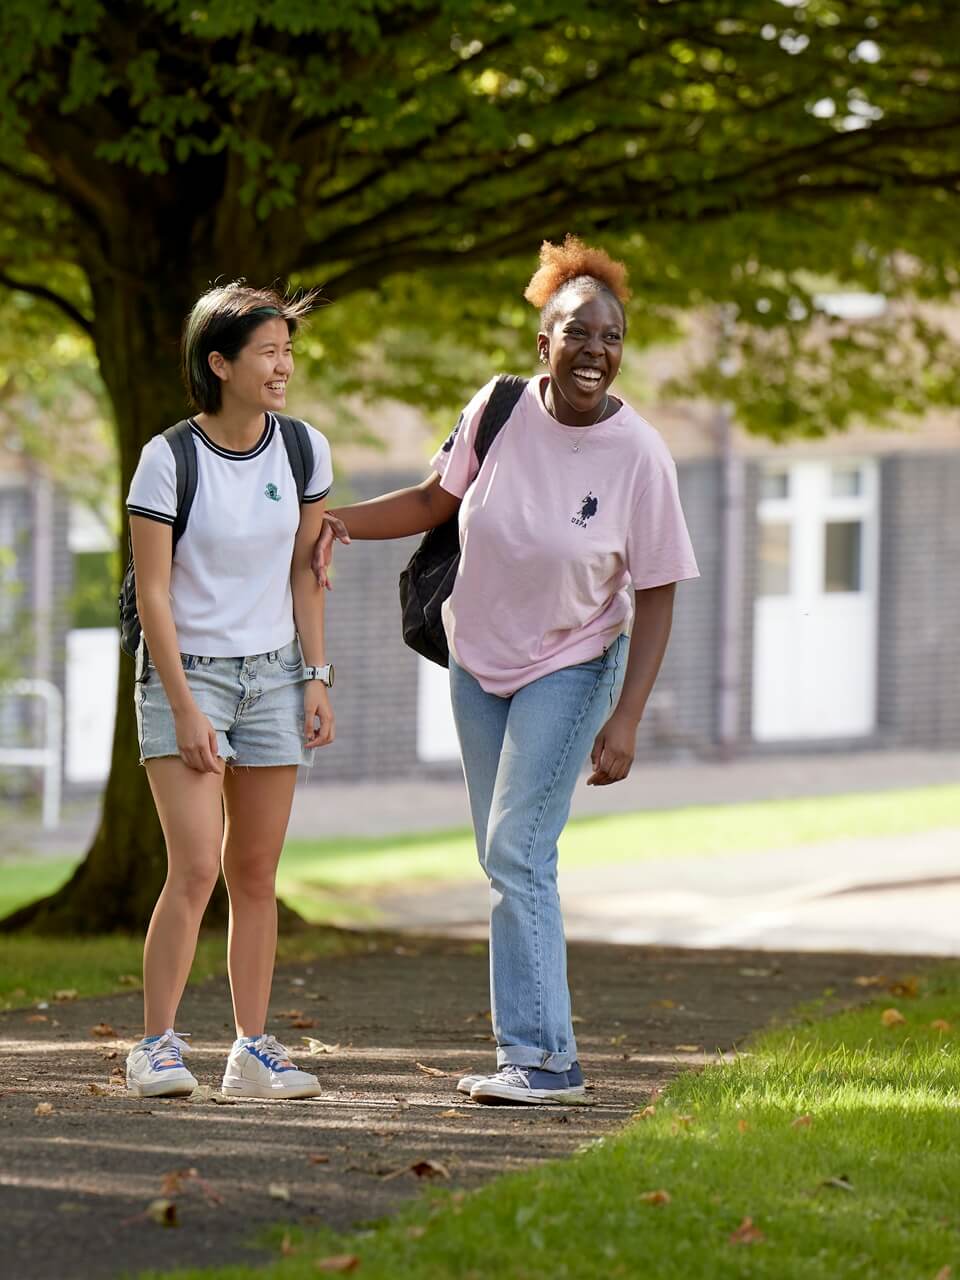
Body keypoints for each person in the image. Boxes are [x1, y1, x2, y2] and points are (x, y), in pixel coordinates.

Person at [315, 236, 699, 1105]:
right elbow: (432, 503)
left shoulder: (641, 456)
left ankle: (544, 1061)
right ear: (544, 344)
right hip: (476, 660)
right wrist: (333, 523)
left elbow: (661, 589)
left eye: (610, 336)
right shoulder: (496, 409)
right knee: (509, 859)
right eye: (576, 332)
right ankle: (535, 1055)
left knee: (516, 849)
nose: (594, 350)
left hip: (571, 662)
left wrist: (628, 715)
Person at [124, 283, 336, 1100]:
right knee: (193, 870)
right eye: (267, 353)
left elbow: (307, 574)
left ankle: (252, 1049)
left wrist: (316, 678)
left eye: (288, 351)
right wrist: (182, 706)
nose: (283, 366)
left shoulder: (303, 449)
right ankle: (155, 1045)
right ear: (220, 364)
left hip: (277, 675)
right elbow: (154, 596)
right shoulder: (167, 457)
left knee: (256, 872)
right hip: (192, 675)